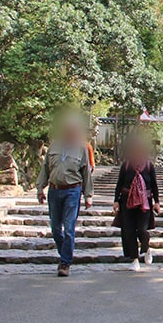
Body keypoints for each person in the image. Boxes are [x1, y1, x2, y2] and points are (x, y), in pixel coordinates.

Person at [36, 115, 94, 277]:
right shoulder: (54, 146)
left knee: (69, 228)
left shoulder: (81, 149)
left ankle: (65, 262)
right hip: (54, 190)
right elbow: (45, 169)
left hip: (72, 191)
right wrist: (40, 188)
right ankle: (66, 253)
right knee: (55, 228)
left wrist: (88, 195)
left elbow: (86, 173)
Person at [113, 137, 160, 271]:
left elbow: (154, 185)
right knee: (129, 231)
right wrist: (116, 200)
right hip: (127, 201)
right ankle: (134, 259)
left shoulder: (149, 166)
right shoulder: (126, 165)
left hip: (144, 202)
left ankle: (146, 247)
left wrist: (157, 202)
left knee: (142, 229)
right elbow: (119, 184)